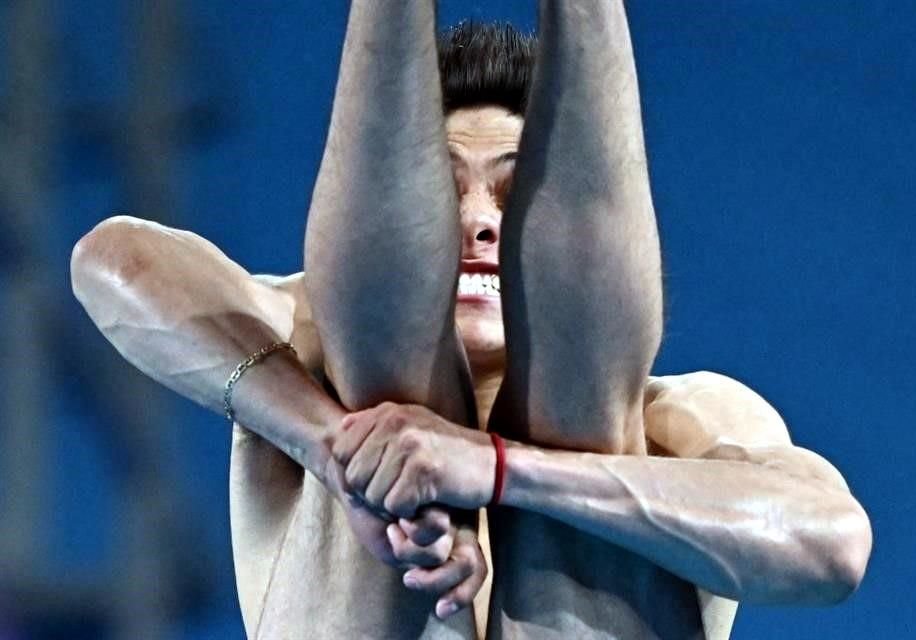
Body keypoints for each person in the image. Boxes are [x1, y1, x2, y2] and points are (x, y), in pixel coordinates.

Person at [71, 3, 872, 639]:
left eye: (513, 194)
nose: (479, 223)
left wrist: (495, 469)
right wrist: (337, 454)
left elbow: (832, 546)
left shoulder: (685, 414)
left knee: (588, 423)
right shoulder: (304, 343)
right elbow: (113, 262)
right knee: (376, 400)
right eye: (443, 193)